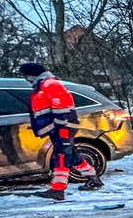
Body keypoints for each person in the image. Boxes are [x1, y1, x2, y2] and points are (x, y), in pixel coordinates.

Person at [21, 62, 102, 200]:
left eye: (26, 75)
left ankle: (58, 190)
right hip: (58, 127)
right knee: (69, 155)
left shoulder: (49, 85)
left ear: (32, 74)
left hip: (61, 126)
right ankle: (93, 178)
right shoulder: (44, 85)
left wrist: (59, 125)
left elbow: (62, 109)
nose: (25, 79)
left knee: (61, 157)